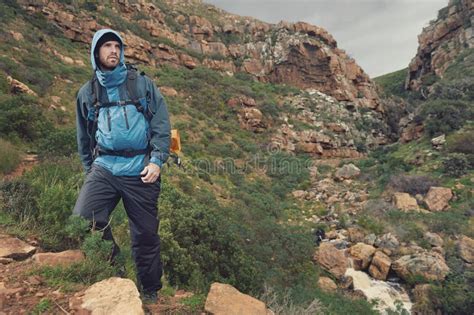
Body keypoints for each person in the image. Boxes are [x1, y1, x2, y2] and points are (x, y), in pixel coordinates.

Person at [73, 29, 170, 303]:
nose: (113, 50)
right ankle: (115, 273)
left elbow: (161, 124)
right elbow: (84, 136)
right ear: (96, 53)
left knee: (146, 235)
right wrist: (89, 170)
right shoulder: (88, 92)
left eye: (117, 46)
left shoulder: (141, 84)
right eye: (107, 46)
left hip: (141, 169)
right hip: (104, 167)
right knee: (84, 219)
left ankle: (150, 292)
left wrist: (157, 161)